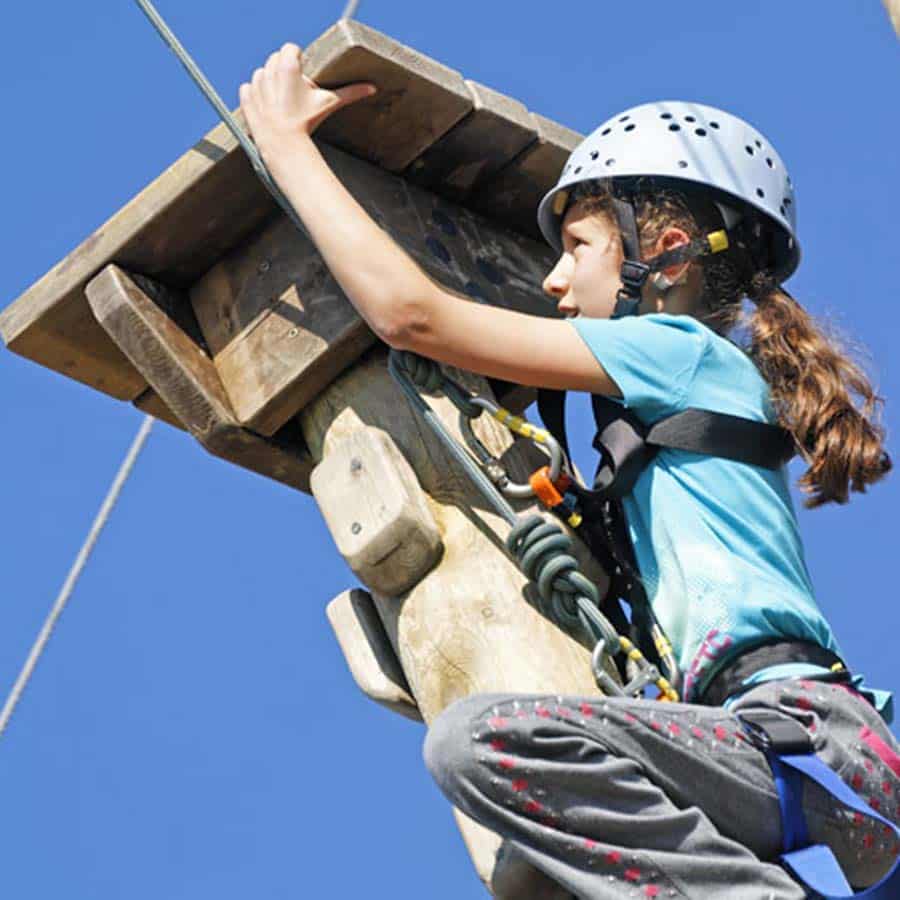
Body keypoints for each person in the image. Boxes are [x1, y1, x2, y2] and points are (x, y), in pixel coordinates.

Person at [239, 44, 898, 898]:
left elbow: (412, 317)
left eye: (578, 246)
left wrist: (287, 147)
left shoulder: (681, 352)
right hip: (807, 771)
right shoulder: (676, 403)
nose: (553, 278)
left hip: (803, 747)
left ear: (664, 252)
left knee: (479, 744)